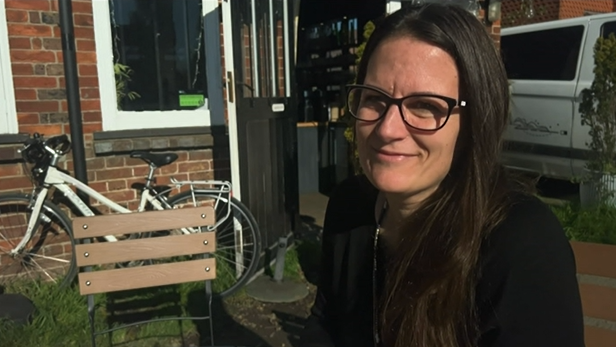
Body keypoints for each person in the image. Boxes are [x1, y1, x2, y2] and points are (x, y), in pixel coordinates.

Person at [299, 3, 584, 347]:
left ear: (474, 123)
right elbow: (325, 325)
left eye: (425, 106)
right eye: (374, 99)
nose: (388, 129)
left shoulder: (520, 244)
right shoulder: (350, 207)